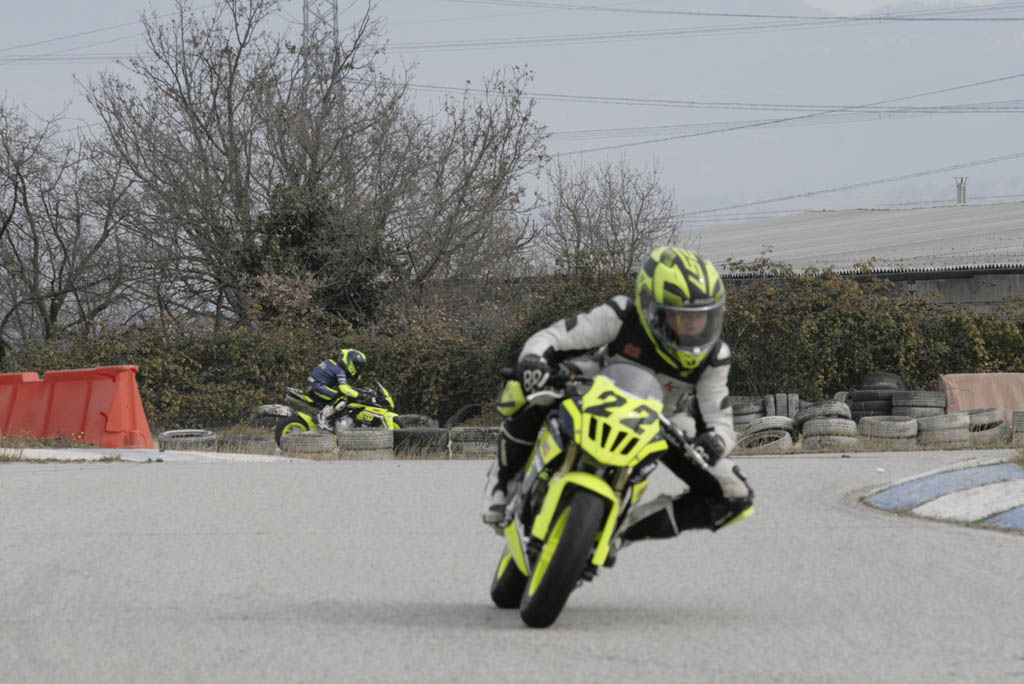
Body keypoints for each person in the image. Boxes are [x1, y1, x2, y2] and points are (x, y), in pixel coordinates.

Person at [482, 246, 754, 543]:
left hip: (661, 418)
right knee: (523, 385)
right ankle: (502, 482)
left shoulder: (715, 357)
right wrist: (533, 362)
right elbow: (553, 337)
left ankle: (622, 532)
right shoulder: (623, 314)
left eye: (702, 317)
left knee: (736, 494)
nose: (693, 328)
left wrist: (715, 442)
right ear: (651, 307)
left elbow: (720, 421)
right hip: (594, 384)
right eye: (680, 316)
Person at [307, 349, 369, 430]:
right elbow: (344, 389)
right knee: (342, 397)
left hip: (314, 386)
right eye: (357, 366)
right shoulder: (340, 370)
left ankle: (331, 420)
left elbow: (344, 386)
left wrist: (355, 390)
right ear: (350, 362)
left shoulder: (331, 363)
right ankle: (322, 417)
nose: (358, 369)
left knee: (339, 396)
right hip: (318, 387)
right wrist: (359, 395)